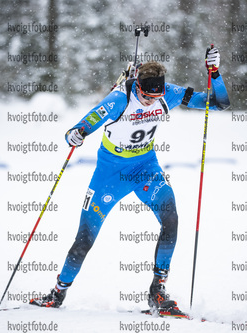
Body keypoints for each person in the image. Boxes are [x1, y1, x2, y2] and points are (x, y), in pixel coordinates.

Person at [30, 47, 230, 311]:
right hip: (110, 174)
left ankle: (157, 290)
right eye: (146, 96)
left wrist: (214, 73)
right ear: (137, 86)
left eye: (155, 97)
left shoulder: (167, 93)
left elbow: (219, 103)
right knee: (85, 238)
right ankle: (57, 294)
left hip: (147, 167)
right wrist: (75, 135)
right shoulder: (118, 100)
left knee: (171, 219)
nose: (150, 102)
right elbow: (80, 128)